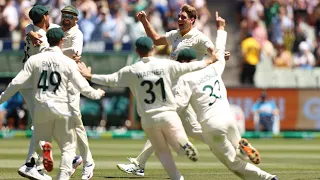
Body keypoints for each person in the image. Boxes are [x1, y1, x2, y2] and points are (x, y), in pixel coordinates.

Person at [78, 36, 219, 180]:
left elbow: (111, 80)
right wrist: (209, 60)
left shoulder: (133, 70)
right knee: (180, 136)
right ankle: (182, 146)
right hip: (169, 113)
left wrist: (89, 76)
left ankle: (175, 174)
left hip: (148, 118)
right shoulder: (165, 64)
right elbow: (190, 66)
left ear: (137, 51)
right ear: (153, 49)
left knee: (163, 153)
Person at [116, 6, 229, 176]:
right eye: (179, 16)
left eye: (183, 17)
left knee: (161, 123)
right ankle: (224, 142)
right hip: (174, 88)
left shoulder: (199, 37)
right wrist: (144, 21)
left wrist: (222, 54)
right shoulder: (175, 34)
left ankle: (139, 164)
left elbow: (214, 53)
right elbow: (155, 39)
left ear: (192, 20)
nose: (180, 19)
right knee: (192, 129)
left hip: (185, 88)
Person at [173, 17, 278, 179]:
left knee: (233, 164)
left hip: (211, 124)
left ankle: (267, 178)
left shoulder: (185, 80)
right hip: (229, 119)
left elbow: (179, 106)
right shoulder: (213, 68)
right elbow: (220, 51)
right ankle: (242, 149)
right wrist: (221, 28)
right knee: (237, 148)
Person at [0, 28, 105, 180]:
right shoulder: (68, 62)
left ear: (47, 40)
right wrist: (98, 94)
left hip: (41, 107)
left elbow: (16, 83)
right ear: (62, 41)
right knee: (68, 148)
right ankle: (62, 176)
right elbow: (83, 87)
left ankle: (44, 149)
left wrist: (1, 98)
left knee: (38, 139)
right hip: (62, 108)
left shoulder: (34, 60)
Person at [25, 5, 94, 179]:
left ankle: (88, 163)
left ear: (76, 19)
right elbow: (31, 27)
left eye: (70, 16)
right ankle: (69, 160)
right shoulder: (55, 29)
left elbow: (75, 53)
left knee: (76, 123)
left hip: (70, 85)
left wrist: (51, 52)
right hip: (56, 85)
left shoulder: (77, 34)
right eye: (64, 15)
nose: (66, 18)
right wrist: (32, 34)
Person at [18, 5, 58, 180]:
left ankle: (38, 164)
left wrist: (31, 33)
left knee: (43, 123)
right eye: (47, 14)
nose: (49, 16)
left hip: (27, 82)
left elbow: (27, 28)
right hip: (34, 83)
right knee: (42, 124)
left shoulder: (31, 29)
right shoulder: (43, 40)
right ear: (44, 18)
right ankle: (30, 164)